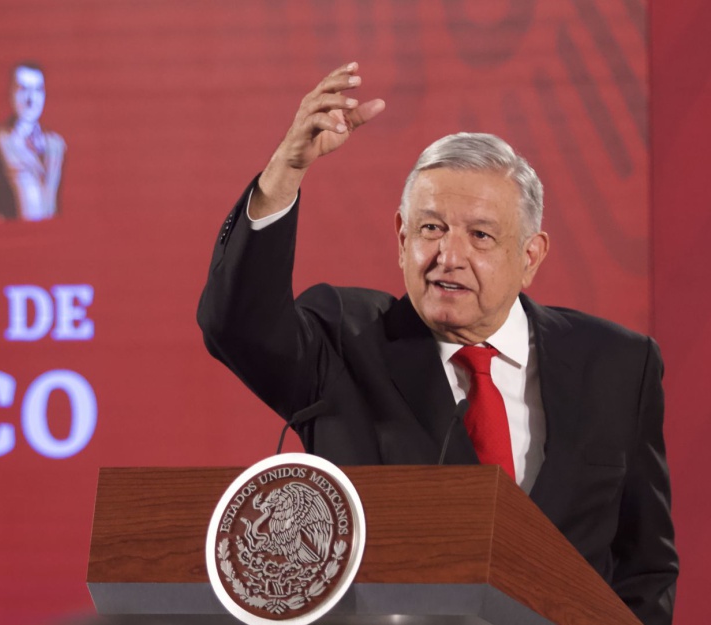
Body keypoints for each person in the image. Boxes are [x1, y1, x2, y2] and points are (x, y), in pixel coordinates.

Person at [197, 62, 677, 624]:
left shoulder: (619, 365)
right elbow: (236, 325)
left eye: (479, 235)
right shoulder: (345, 342)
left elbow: (643, 567)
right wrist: (287, 170)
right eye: (430, 229)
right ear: (401, 239)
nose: (448, 255)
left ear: (530, 255)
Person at [0, 62, 65, 221]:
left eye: (38, 90)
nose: (31, 99)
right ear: (10, 93)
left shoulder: (56, 145)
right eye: (23, 89)